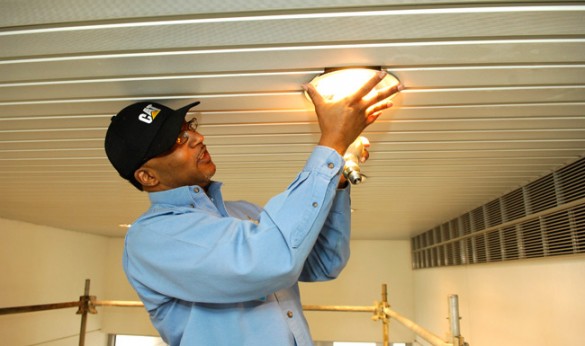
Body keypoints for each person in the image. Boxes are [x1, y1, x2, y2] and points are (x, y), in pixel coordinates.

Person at [104, 71, 402, 346]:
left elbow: (323, 263)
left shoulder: (242, 213)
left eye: (189, 128)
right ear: (148, 176)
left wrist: (334, 177)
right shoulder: (153, 238)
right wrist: (332, 144)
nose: (198, 138)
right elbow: (270, 261)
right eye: (179, 140)